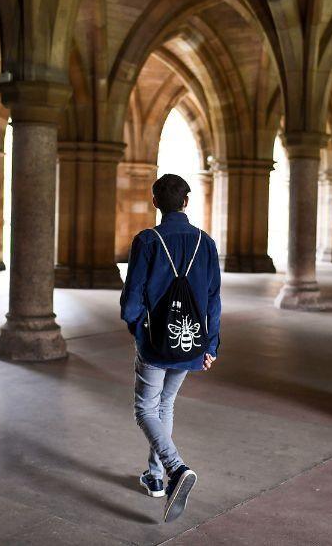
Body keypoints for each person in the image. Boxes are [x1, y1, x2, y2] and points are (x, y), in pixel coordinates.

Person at [120, 173, 221, 523]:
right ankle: (155, 479)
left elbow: (132, 297)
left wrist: (137, 329)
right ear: (186, 202)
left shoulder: (147, 240)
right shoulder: (205, 243)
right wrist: (211, 344)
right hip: (191, 340)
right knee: (165, 405)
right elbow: (212, 298)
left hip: (156, 340)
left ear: (155, 203)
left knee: (145, 409)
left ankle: (176, 469)